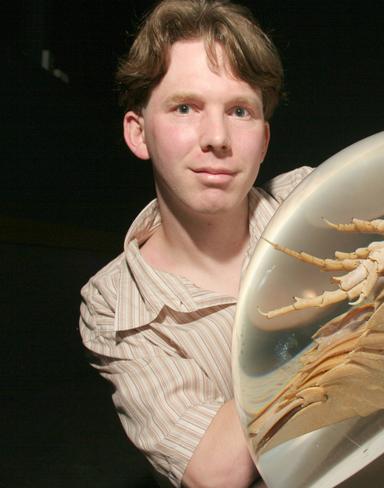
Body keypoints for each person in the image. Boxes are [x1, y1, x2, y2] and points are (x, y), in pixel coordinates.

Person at [79, 1, 311, 486]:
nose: (217, 137)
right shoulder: (113, 305)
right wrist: (344, 310)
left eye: (240, 111)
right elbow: (216, 469)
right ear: (138, 133)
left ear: (263, 141)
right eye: (185, 108)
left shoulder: (313, 200)